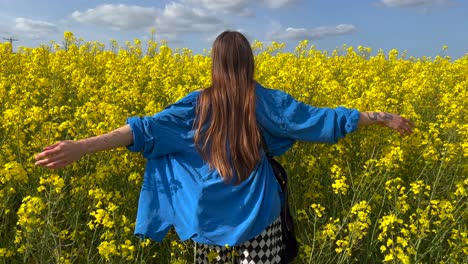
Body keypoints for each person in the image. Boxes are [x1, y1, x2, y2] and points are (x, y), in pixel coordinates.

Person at [35, 30, 414, 264]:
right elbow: (320, 120)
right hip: (258, 218)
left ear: (214, 63)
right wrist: (381, 116)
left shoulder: (196, 104)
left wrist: (82, 146)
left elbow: (143, 130)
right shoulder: (265, 101)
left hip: (206, 218)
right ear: (249, 62)